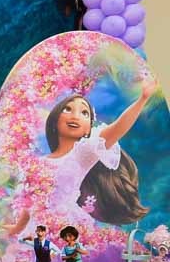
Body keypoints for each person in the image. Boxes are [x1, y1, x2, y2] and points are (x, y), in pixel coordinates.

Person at [9, 83, 154, 237]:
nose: (75, 116)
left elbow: (117, 128)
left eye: (84, 112)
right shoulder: (36, 164)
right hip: (39, 228)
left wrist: (142, 99)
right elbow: (30, 202)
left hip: (68, 226)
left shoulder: (83, 154)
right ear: (55, 120)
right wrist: (17, 228)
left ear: (88, 129)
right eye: (67, 109)